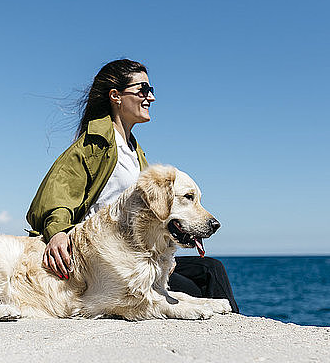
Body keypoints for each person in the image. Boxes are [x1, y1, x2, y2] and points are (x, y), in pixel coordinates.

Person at [26, 59, 239, 313]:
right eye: (143, 89)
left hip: (137, 254)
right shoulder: (92, 147)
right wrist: (58, 232)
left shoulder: (135, 151)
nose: (151, 97)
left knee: (211, 269)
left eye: (151, 90)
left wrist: (166, 252)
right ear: (116, 96)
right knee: (194, 290)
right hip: (107, 259)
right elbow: (56, 197)